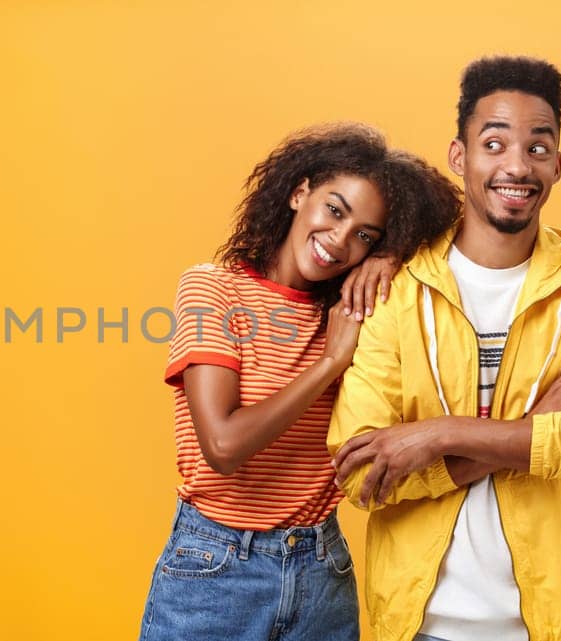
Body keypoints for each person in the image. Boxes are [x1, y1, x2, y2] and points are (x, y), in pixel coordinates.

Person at [328, 56, 561, 641]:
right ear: (461, 157)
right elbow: (361, 470)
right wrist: (537, 426)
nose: (516, 166)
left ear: (557, 164)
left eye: (537, 147)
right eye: (495, 142)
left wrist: (437, 434)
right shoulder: (399, 287)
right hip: (419, 627)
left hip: (553, 627)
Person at [138, 122, 457, 641]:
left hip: (321, 568)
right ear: (298, 192)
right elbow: (223, 444)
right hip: (216, 568)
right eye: (335, 210)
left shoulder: (353, 311)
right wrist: (330, 362)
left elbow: (460, 233)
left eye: (364, 235)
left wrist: (390, 255)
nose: (339, 240)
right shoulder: (214, 291)